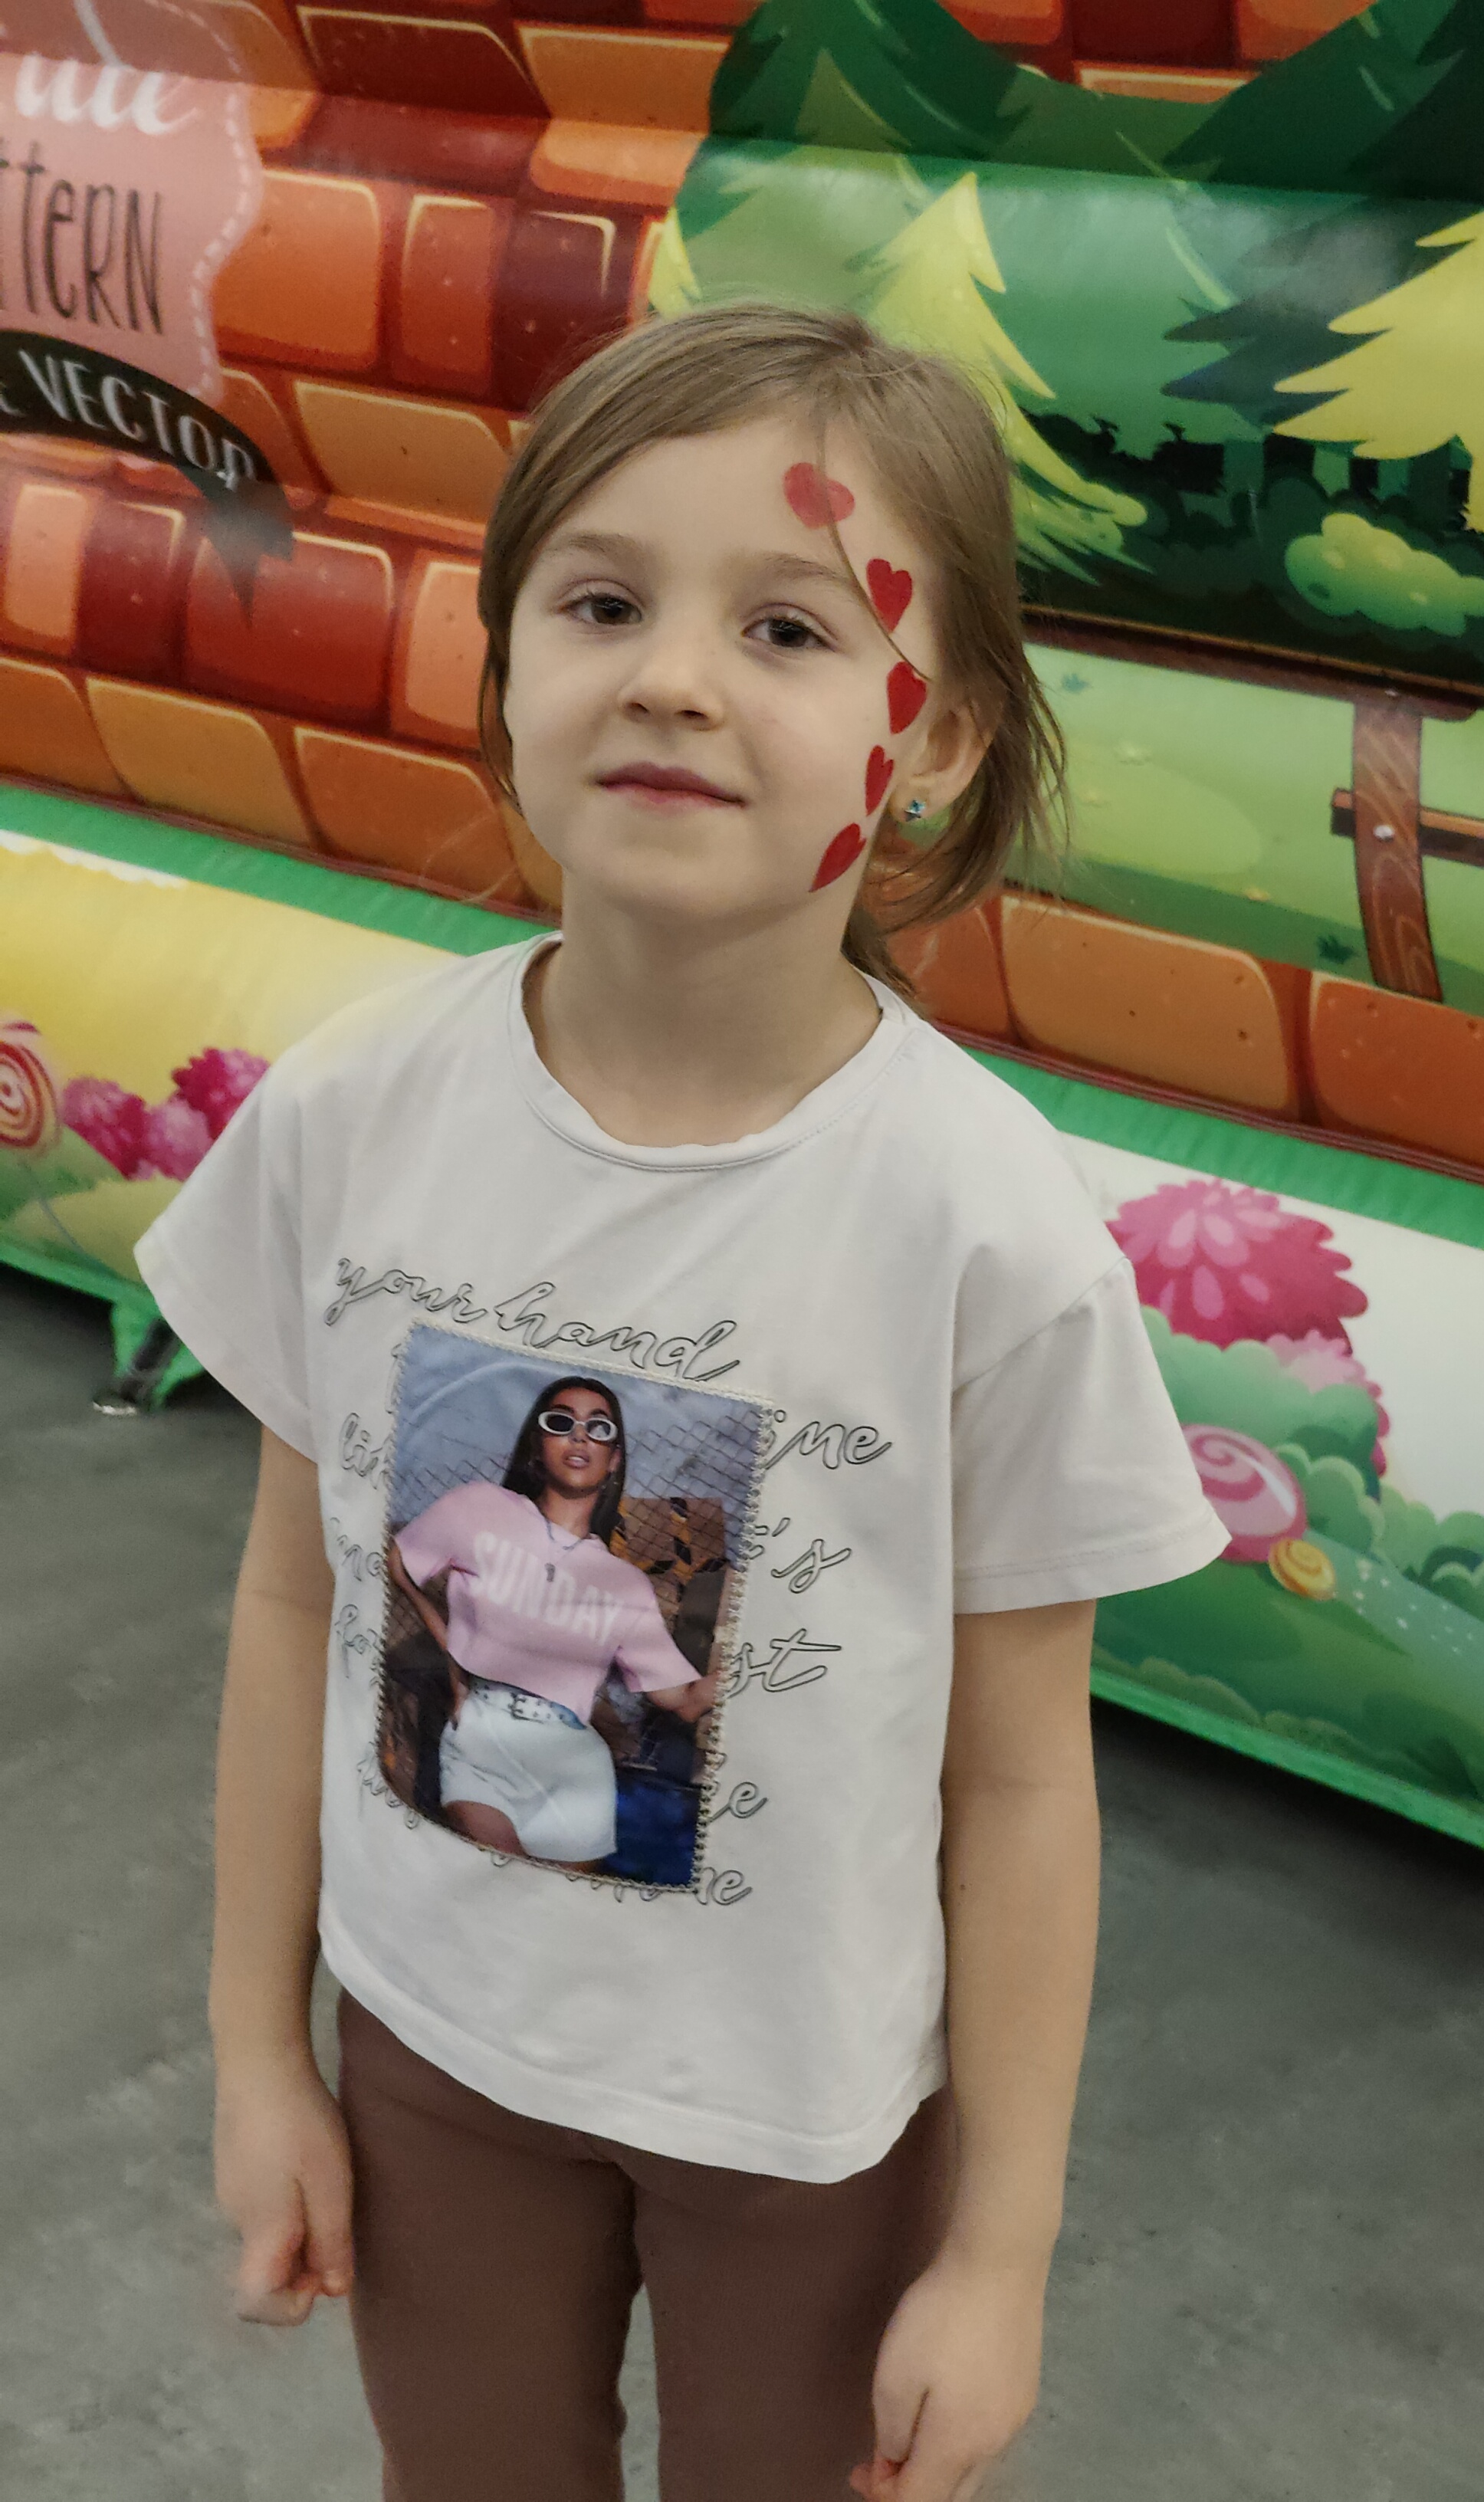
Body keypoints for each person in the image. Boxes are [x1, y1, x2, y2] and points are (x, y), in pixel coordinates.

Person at [136, 302, 1228, 2502]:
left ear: (936, 736)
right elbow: (289, 1604)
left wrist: (997, 2251)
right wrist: (260, 2050)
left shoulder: (979, 1229)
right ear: (502, 669)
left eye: (790, 626)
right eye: (602, 603)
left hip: (806, 2123)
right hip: (431, 2053)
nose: (672, 678)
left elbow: (1024, 1780)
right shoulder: (353, 1116)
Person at [386, 1374, 712, 1870]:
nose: (580, 1437)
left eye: (599, 1429)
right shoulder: (478, 1507)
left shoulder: (626, 1585)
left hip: (575, 1765)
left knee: (556, 1910)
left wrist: (744, 1673)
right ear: (538, 1448)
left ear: (614, 1459)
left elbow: (682, 1701)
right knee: (493, 1882)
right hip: (483, 1738)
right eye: (561, 1423)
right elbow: (398, 1564)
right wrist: (453, 1658)